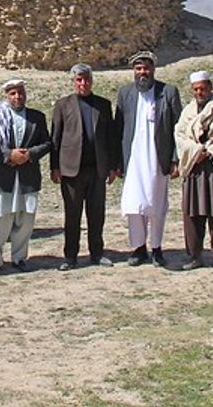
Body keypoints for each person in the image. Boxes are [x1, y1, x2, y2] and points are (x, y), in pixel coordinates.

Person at [115, 51, 182, 268]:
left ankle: (156, 248)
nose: (142, 72)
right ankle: (138, 248)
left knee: (157, 204)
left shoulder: (168, 92)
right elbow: (119, 129)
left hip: (157, 157)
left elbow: (178, 128)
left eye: (146, 68)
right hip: (133, 158)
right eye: (138, 68)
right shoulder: (125, 94)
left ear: (153, 69)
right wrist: (117, 162)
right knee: (135, 204)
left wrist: (175, 159)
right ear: (133, 71)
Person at [50, 63, 119, 270]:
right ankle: (70, 256)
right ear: (74, 82)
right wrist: (54, 167)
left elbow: (111, 138)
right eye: (79, 80)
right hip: (71, 170)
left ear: (92, 81)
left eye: (87, 80)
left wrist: (112, 166)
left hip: (97, 169)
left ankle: (97, 253)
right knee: (72, 215)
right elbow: (55, 138)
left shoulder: (103, 105)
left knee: (97, 214)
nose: (83, 84)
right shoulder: (63, 105)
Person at [0, 79, 52, 271]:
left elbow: (46, 143)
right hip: (1, 177)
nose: (17, 97)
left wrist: (29, 155)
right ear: (7, 95)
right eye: (13, 93)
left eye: (20, 92)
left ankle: (19, 257)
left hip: (27, 176)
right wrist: (8, 155)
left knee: (25, 219)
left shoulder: (37, 117)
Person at [173, 70, 213, 271]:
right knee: (192, 213)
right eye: (196, 89)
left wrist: (209, 151)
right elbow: (180, 135)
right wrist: (195, 151)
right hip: (193, 166)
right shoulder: (188, 111)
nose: (200, 92)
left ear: (210, 86)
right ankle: (194, 255)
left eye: (203, 88)